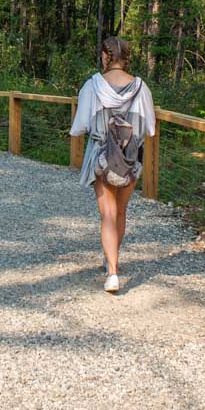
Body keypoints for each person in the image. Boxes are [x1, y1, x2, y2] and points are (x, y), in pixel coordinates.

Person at [69, 37, 156, 293]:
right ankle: (112, 260)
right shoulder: (141, 87)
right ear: (126, 57)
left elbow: (79, 126)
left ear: (105, 56)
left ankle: (113, 273)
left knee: (108, 213)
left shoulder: (92, 86)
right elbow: (150, 127)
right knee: (121, 211)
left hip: (102, 155)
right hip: (131, 156)